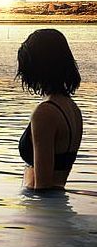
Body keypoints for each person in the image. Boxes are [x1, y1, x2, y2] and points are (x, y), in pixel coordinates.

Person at [17, 29, 83, 191]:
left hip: (38, 207)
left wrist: (37, 213)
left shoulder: (45, 112)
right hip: (54, 205)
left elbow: (43, 187)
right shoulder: (73, 109)